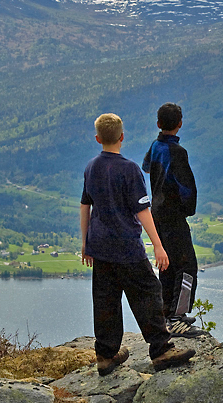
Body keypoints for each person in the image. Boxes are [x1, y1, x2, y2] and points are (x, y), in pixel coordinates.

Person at [81, 113, 196, 376]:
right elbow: (142, 210)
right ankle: (161, 350)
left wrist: (85, 243)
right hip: (126, 247)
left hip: (100, 246)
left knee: (106, 300)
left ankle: (106, 355)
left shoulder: (91, 167)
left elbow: (85, 205)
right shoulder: (129, 169)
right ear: (122, 137)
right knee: (148, 293)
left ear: (98, 138)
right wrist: (158, 245)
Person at [142, 102, 206, 338]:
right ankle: (178, 318)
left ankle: (166, 313)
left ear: (158, 123)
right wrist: (188, 209)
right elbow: (186, 187)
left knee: (167, 265)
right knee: (187, 266)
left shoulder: (155, 146)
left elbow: (146, 167)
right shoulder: (177, 152)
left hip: (157, 214)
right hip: (173, 215)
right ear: (180, 124)